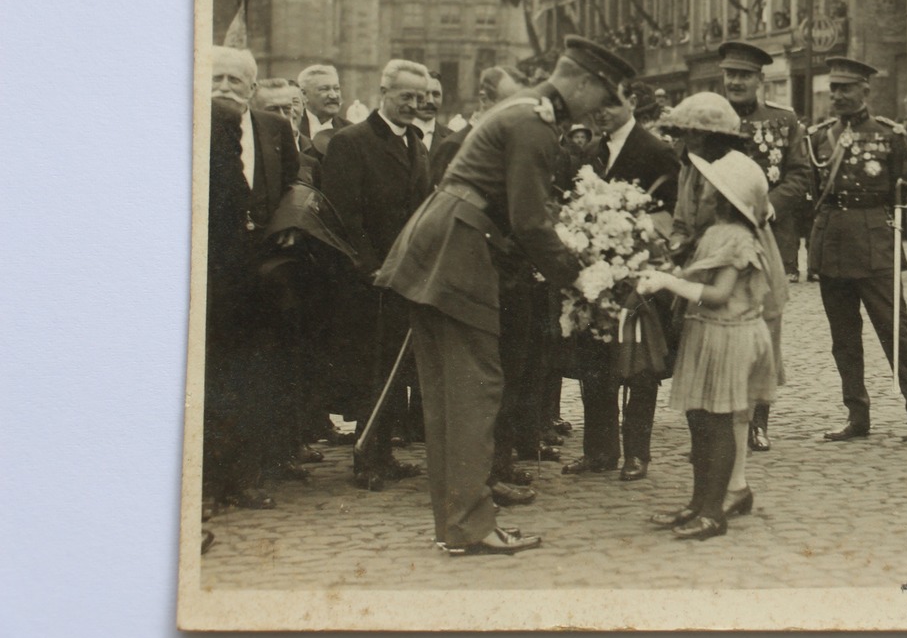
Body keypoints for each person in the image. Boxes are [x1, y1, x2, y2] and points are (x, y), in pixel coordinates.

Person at [375, 37, 634, 556]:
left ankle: (457, 524)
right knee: (475, 389)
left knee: (451, 392)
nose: (602, 107)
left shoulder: (519, 111)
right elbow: (532, 223)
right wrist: (586, 283)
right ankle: (470, 526)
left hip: (443, 241)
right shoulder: (533, 124)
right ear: (579, 82)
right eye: (601, 94)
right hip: (460, 248)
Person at [636, 151, 786, 541]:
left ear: (725, 197)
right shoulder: (716, 233)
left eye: (710, 188)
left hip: (729, 335)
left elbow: (719, 294)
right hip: (710, 332)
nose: (702, 193)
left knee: (717, 423)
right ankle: (700, 501)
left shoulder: (738, 237)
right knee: (700, 422)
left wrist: (669, 283)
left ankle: (714, 511)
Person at [806, 57, 907, 449]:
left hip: (874, 242)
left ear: (866, 91)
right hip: (832, 245)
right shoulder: (819, 137)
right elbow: (814, 193)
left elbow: (906, 194)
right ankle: (856, 414)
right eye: (834, 89)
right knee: (843, 337)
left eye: (846, 88)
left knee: (896, 333)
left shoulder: (889, 136)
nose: (838, 96)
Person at [319, 59, 434, 489]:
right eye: (406, 96)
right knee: (370, 370)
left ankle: (386, 453)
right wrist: (371, 268)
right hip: (366, 280)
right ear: (383, 91)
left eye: (420, 98)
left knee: (395, 368)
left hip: (406, 277)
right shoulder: (353, 142)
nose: (414, 105)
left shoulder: (417, 145)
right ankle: (367, 458)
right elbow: (343, 216)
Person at [566, 83, 681, 481]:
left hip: (639, 274)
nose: (602, 113)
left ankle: (637, 452)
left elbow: (672, 212)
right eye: (596, 106)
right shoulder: (589, 151)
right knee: (594, 361)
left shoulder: (655, 150)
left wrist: (641, 239)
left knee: (638, 365)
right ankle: (598, 451)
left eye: (611, 104)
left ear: (631, 102)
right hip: (595, 274)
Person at [203, 46, 300, 510]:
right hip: (211, 276)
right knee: (211, 379)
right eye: (216, 78)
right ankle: (205, 486)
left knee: (254, 376)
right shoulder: (191, 130)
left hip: (260, 277)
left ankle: (244, 479)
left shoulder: (275, 130)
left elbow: (297, 188)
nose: (224, 88)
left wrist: (286, 230)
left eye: (234, 81)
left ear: (252, 89)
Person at [716, 40, 814, 449]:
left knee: (764, 328)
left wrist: (770, 206)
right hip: (717, 238)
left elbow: (801, 176)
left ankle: (758, 420)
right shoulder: (710, 118)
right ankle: (718, 421)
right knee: (717, 326)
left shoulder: (783, 121)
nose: (736, 82)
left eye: (744, 76)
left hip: (766, 237)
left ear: (760, 80)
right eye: (730, 75)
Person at [295, 64, 349, 151]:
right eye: (324, 89)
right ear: (303, 94)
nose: (334, 95)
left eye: (336, 89)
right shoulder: (294, 128)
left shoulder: (349, 131)